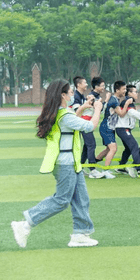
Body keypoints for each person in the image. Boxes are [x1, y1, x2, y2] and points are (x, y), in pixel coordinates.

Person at [11, 80, 103, 248]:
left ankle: (80, 233)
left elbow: (69, 123)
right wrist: (97, 109)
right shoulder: (64, 115)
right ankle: (25, 224)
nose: (72, 94)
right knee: (62, 200)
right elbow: (90, 126)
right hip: (66, 163)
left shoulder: (60, 113)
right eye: (69, 92)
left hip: (70, 162)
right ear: (63, 95)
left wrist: (81, 109)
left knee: (81, 198)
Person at [71, 76, 112, 179]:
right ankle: (92, 170)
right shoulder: (87, 96)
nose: (86, 84)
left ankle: (79, 168)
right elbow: (77, 110)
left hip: (86, 122)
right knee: (91, 144)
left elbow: (99, 110)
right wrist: (102, 101)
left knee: (87, 146)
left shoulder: (86, 95)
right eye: (84, 83)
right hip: (84, 123)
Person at [115, 85, 140, 178]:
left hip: (123, 129)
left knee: (128, 148)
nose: (137, 93)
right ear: (129, 93)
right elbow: (134, 114)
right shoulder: (128, 101)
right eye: (135, 91)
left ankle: (121, 166)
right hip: (123, 129)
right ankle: (139, 170)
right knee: (134, 146)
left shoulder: (129, 101)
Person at [99, 81, 126, 173]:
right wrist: (127, 104)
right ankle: (106, 171)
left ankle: (93, 162)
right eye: (123, 89)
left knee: (108, 149)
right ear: (117, 90)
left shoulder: (116, 99)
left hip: (109, 127)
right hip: (107, 127)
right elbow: (121, 114)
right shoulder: (114, 100)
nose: (125, 91)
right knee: (113, 148)